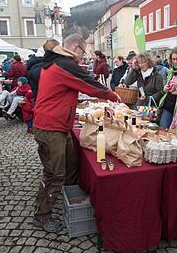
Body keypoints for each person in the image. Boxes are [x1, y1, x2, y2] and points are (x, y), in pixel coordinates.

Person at [33, 34, 120, 232]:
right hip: (51, 127)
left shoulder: (57, 62)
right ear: (75, 47)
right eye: (82, 53)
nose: (81, 58)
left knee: (72, 163)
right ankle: (42, 214)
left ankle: (68, 197)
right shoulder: (65, 64)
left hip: (58, 125)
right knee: (54, 173)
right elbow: (90, 85)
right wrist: (112, 96)